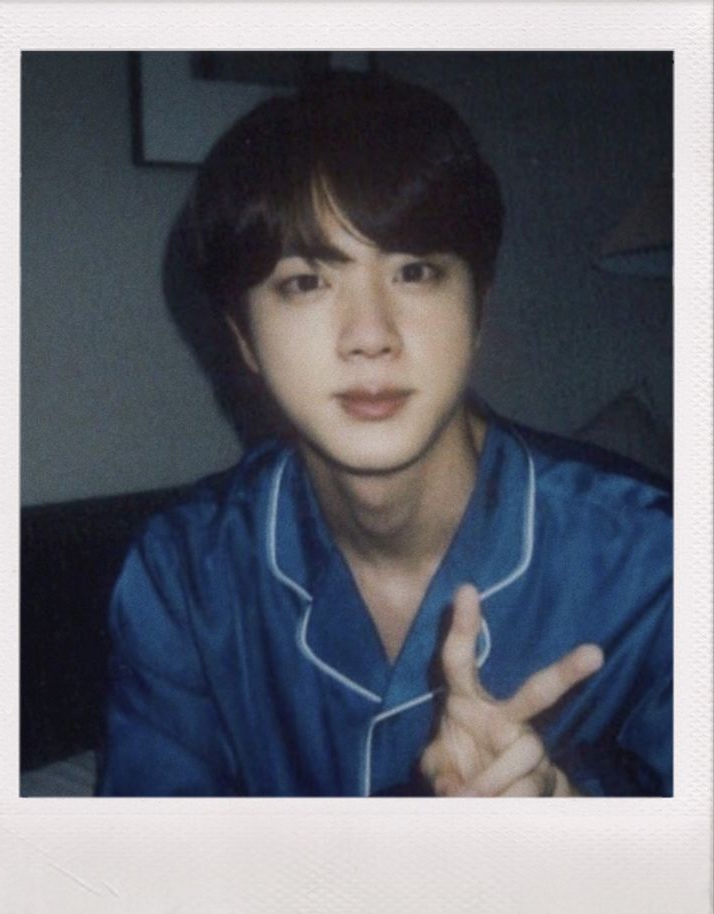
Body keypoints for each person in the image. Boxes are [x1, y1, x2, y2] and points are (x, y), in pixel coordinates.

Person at [98, 71, 672, 797]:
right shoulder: (185, 573)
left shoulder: (658, 563)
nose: (370, 335)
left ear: (477, 309)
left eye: (416, 271)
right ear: (243, 336)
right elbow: (150, 880)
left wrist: (568, 809)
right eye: (306, 281)